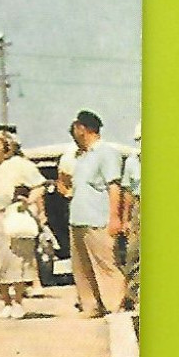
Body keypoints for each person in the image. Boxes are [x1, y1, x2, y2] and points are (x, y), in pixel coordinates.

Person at [0, 132, 44, 319]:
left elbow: (40, 185)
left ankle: (18, 301)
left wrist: (28, 201)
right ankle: (5, 301)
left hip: (13, 214)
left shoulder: (20, 165)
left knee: (15, 260)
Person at [68, 110, 126, 317]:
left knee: (105, 264)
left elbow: (114, 186)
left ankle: (115, 305)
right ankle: (91, 306)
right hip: (78, 218)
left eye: (75, 128)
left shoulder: (107, 153)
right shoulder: (82, 157)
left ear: (82, 128)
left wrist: (115, 217)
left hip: (98, 219)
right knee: (82, 268)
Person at [120, 122, 142, 311]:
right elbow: (127, 191)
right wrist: (126, 218)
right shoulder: (132, 161)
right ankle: (134, 296)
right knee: (133, 253)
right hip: (138, 205)